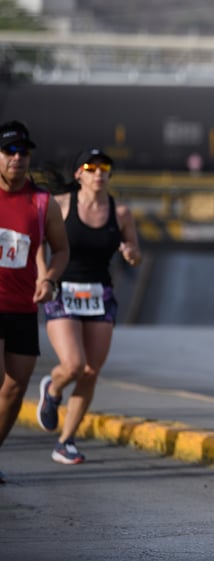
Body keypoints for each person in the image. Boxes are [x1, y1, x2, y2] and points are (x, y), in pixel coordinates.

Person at [36, 148, 141, 464]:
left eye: (104, 168)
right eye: (91, 168)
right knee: (74, 365)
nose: (98, 173)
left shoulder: (119, 212)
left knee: (91, 371)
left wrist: (130, 253)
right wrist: (44, 277)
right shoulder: (61, 205)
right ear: (79, 174)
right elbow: (40, 242)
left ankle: (65, 442)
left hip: (100, 294)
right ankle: (53, 389)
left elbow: (135, 250)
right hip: (64, 290)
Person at [0, 121, 69, 483]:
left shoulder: (43, 203)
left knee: (14, 387)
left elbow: (60, 250)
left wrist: (49, 278)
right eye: (9, 151)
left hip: (23, 307)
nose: (16, 158)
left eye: (22, 152)